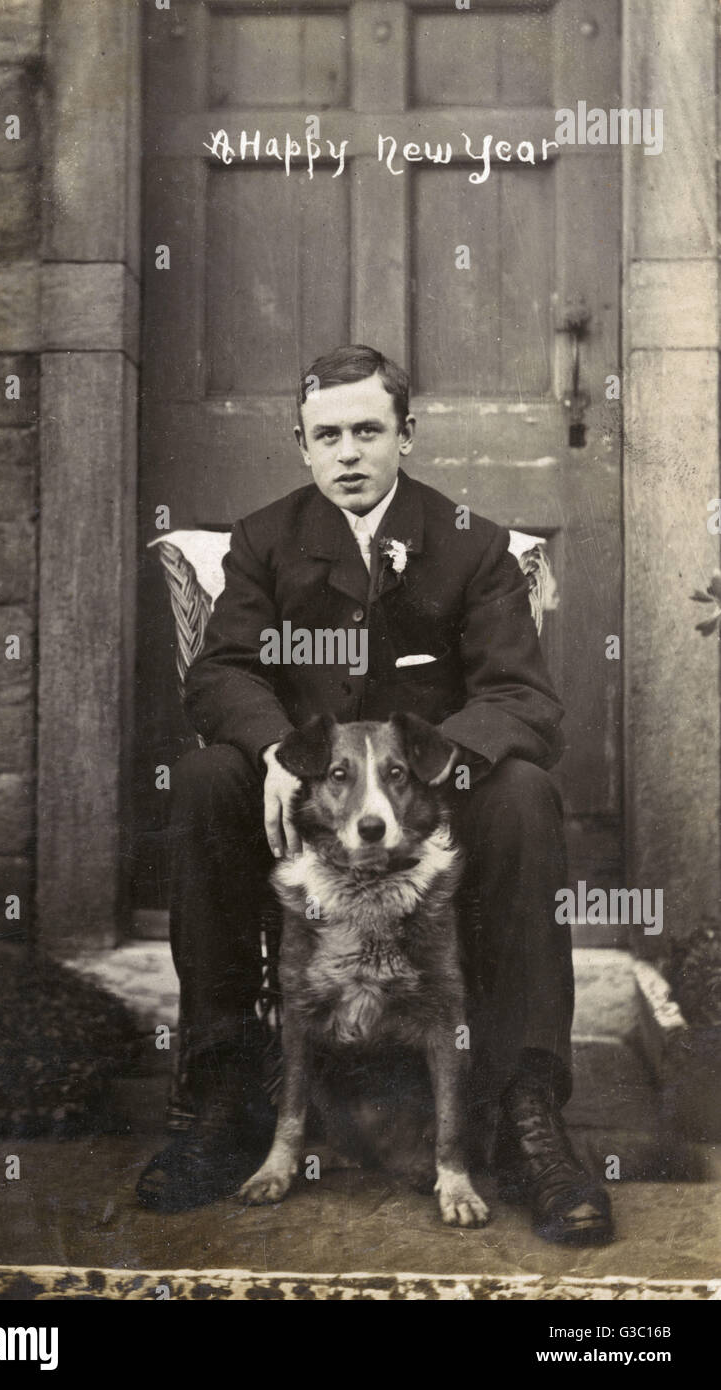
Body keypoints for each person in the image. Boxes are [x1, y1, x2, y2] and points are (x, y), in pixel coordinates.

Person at [136, 344, 613, 1245]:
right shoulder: (265, 541)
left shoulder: (473, 544)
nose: (349, 452)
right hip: (307, 802)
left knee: (525, 795)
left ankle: (528, 1111)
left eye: (368, 431)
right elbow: (221, 673)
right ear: (302, 446)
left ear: (406, 435)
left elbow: (524, 700)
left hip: (432, 808)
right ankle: (224, 1089)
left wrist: (430, 765)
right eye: (328, 436)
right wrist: (278, 750)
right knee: (207, 778)